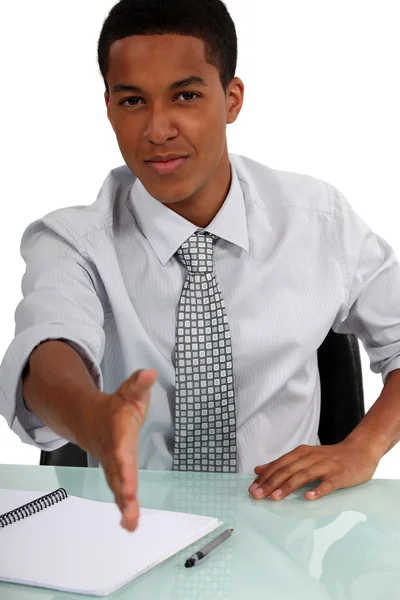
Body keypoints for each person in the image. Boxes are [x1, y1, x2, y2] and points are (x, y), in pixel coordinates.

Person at [1, 0, 400, 533]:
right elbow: (48, 349)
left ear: (231, 99)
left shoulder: (316, 220)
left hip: (281, 536)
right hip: (130, 538)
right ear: (108, 107)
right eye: (133, 101)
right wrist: (92, 418)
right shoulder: (72, 240)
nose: (158, 129)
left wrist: (363, 449)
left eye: (185, 96)